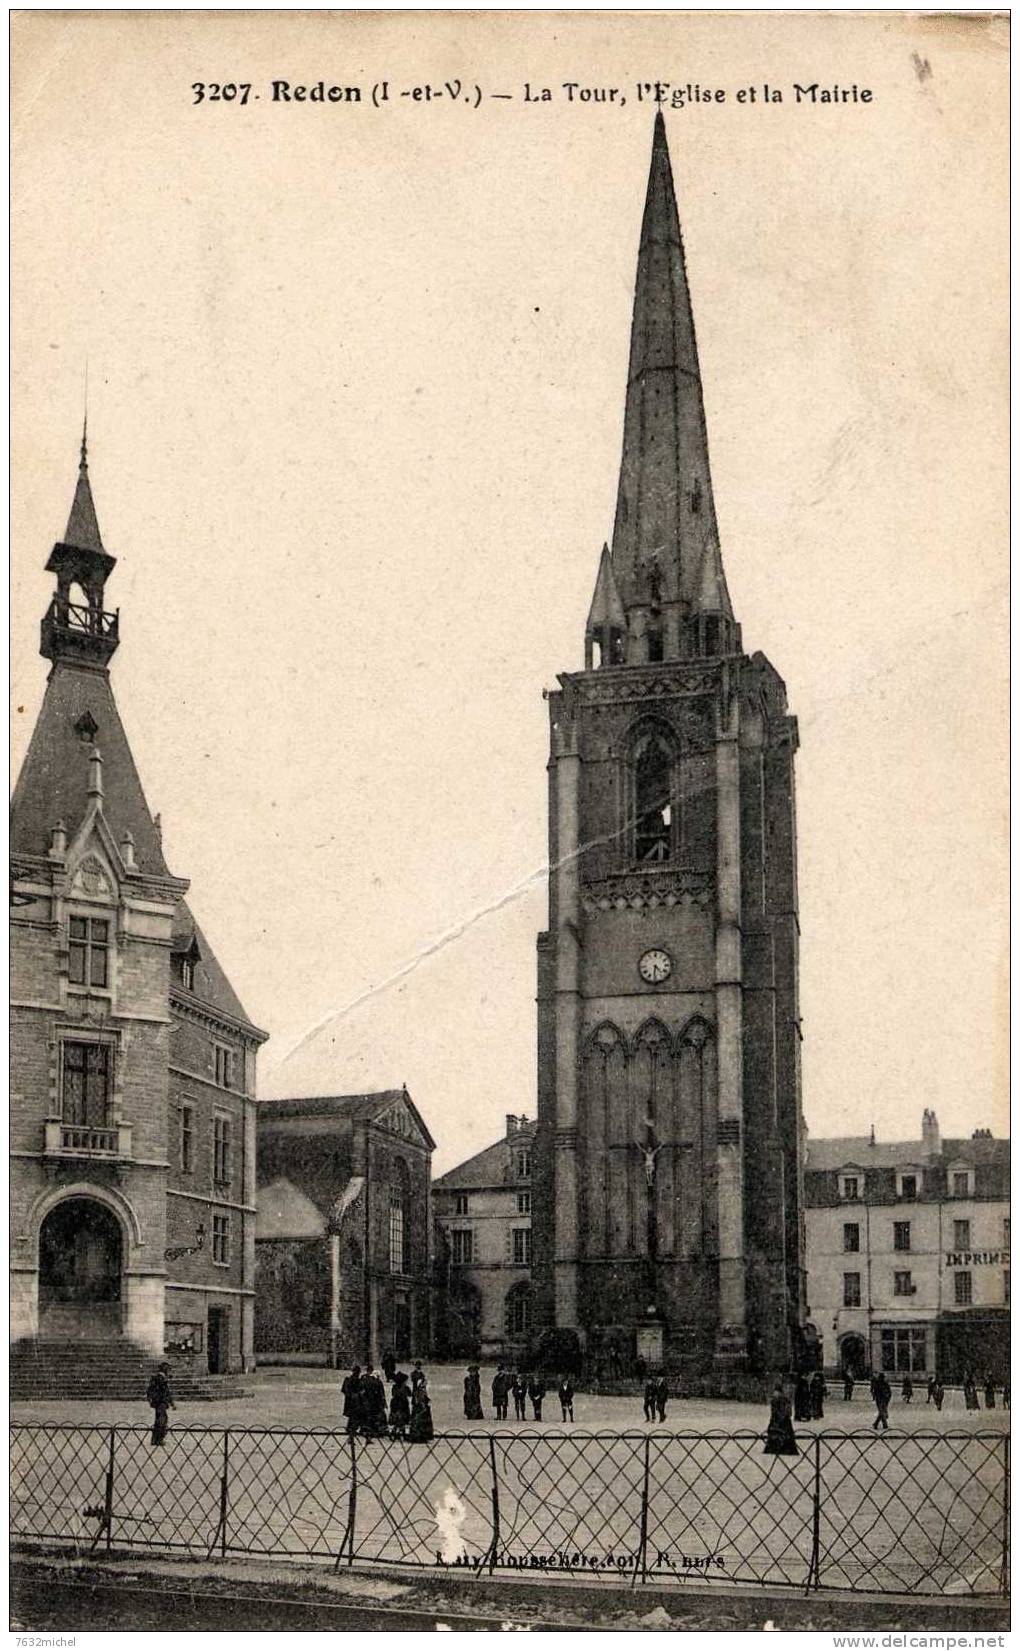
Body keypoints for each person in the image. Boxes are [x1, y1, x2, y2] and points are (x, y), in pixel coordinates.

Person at [763, 1381, 798, 1457]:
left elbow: (779, 1412)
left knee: (779, 1436)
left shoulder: (779, 1400)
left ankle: (778, 1448)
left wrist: (778, 1419)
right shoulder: (782, 1400)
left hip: (780, 1421)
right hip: (782, 1421)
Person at [146, 1362, 175, 1448]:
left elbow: (149, 1391)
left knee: (159, 1419)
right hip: (161, 1402)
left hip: (157, 1402)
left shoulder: (156, 1378)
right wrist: (171, 1402)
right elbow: (166, 1392)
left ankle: (155, 1439)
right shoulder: (161, 1379)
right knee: (162, 1420)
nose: (168, 1371)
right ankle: (158, 1439)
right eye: (167, 1369)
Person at [408, 1378, 435, 1442]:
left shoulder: (421, 1390)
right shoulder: (420, 1391)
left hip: (422, 1408)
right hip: (421, 1409)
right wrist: (424, 1406)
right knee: (421, 1423)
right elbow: (419, 1400)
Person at [341, 1364, 363, 1435]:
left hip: (350, 1401)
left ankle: (351, 1428)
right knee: (355, 1415)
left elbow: (344, 1390)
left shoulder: (349, 1380)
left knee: (353, 1416)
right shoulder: (353, 1380)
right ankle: (351, 1429)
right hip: (354, 1401)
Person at [389, 1370, 411, 1437]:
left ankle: (397, 1432)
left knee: (398, 1419)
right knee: (402, 1419)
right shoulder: (405, 1388)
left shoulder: (394, 1387)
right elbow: (409, 1394)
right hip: (401, 1404)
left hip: (396, 1404)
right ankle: (400, 1432)